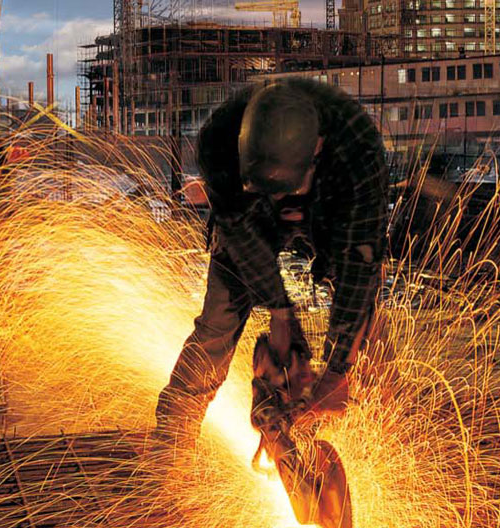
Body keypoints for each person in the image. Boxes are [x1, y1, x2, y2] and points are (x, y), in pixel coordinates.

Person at [152, 77, 389, 452]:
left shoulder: (358, 154)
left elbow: (359, 269)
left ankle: (366, 436)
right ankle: (170, 449)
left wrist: (337, 372)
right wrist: (281, 316)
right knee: (218, 324)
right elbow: (242, 239)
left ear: (317, 149)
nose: (280, 200)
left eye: (285, 190)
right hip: (248, 210)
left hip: (332, 203)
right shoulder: (218, 142)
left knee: (362, 330)